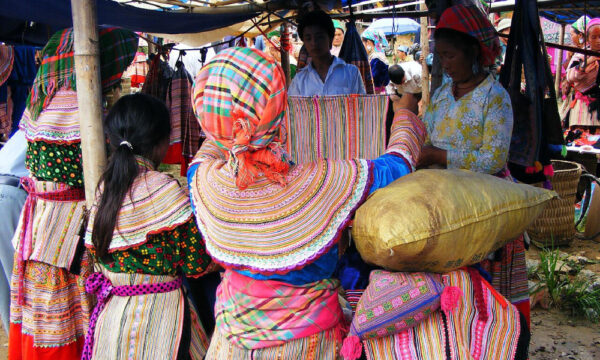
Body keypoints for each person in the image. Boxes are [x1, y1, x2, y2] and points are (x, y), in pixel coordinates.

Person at [189, 46, 424, 358]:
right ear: (279, 108)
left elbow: (211, 147)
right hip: (308, 346)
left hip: (229, 344)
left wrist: (224, 127)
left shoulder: (203, 181)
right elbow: (397, 166)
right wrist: (405, 115)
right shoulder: (319, 182)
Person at [9, 27, 137, 359]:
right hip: (64, 230)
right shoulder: (79, 104)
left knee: (47, 313)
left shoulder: (44, 99)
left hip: (42, 224)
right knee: (70, 312)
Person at [419, 5, 530, 324]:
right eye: (441, 55)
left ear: (473, 52)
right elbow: (426, 132)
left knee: (485, 299)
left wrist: (439, 156)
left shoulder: (494, 98)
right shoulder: (441, 94)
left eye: (451, 55)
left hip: (484, 205)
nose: (445, 63)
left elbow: (493, 159)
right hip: (444, 203)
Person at [81, 93, 212, 360]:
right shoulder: (163, 190)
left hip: (113, 320)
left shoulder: (103, 192)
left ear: (112, 140)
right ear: (161, 142)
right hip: (163, 320)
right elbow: (195, 263)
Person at [289, 10, 366, 96]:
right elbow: (293, 108)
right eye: (308, 38)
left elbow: (361, 106)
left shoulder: (351, 73)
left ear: (330, 38)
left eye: (319, 37)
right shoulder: (299, 80)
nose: (314, 43)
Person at [0, 130, 27, 335]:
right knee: (20, 287)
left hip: (8, 190)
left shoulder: (33, 115)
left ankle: (17, 351)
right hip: (13, 193)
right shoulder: (70, 112)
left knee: (6, 292)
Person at [565, 18, 600, 128]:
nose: (598, 41)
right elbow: (570, 77)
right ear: (588, 39)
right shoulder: (580, 55)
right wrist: (588, 62)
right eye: (594, 37)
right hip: (584, 109)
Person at [361, 29, 390, 93]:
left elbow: (371, 78)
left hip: (375, 94)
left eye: (362, 43)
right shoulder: (377, 56)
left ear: (368, 42)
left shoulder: (376, 59)